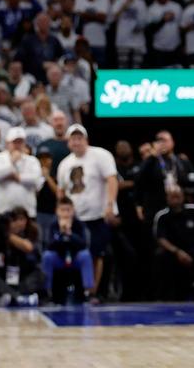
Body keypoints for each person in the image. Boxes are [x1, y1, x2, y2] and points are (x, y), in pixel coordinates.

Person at [55, 124, 118, 303]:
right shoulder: (65, 164)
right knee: (74, 254)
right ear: (68, 142)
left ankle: (92, 291)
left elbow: (111, 180)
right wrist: (60, 212)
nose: (76, 142)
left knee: (96, 253)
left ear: (86, 140)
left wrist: (110, 205)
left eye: (79, 138)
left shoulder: (100, 155)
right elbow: (61, 191)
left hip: (97, 215)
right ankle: (75, 290)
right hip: (75, 217)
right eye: (73, 139)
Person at [153, 185, 194, 300]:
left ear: (183, 197)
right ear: (167, 198)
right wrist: (177, 252)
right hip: (172, 250)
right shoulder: (162, 216)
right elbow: (160, 238)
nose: (175, 200)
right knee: (160, 256)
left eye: (178, 196)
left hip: (193, 248)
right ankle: (165, 295)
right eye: (172, 197)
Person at [42, 197, 94, 303]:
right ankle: (46, 292)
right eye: (62, 210)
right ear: (57, 211)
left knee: (85, 255)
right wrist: (61, 233)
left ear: (73, 210)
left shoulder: (79, 224)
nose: (65, 213)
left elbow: (83, 244)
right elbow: (49, 245)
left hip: (75, 258)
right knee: (47, 256)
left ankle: (88, 291)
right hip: (59, 258)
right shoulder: (53, 225)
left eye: (68, 210)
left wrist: (70, 233)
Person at [0, 127, 44, 216]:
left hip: (27, 212)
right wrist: (12, 162)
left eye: (20, 142)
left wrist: (18, 177)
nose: (18, 145)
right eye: (15, 142)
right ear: (7, 143)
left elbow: (36, 180)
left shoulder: (32, 160)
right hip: (2, 211)